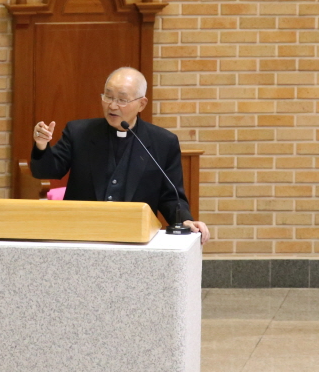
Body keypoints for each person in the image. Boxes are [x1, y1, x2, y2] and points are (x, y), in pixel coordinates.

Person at [31, 67, 211, 242]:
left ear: (142, 104)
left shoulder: (163, 142)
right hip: (81, 234)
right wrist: (41, 145)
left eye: (122, 100)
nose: (112, 105)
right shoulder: (79, 133)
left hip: (135, 237)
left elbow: (171, 197)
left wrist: (185, 220)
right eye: (108, 96)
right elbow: (47, 171)